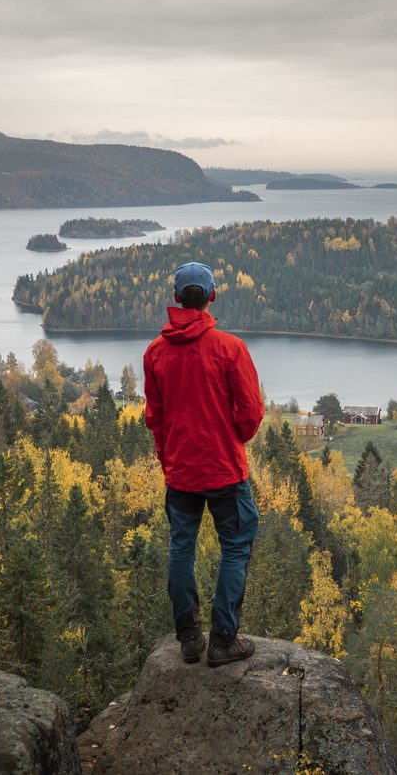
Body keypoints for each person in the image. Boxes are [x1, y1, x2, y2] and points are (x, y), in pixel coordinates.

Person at [143, 261, 264, 666]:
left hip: (181, 472)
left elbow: (155, 417)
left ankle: (190, 639)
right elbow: (251, 413)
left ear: (176, 298)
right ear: (212, 296)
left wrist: (168, 457)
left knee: (181, 548)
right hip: (225, 469)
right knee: (236, 546)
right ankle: (223, 641)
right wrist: (233, 438)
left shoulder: (156, 353)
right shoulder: (230, 348)